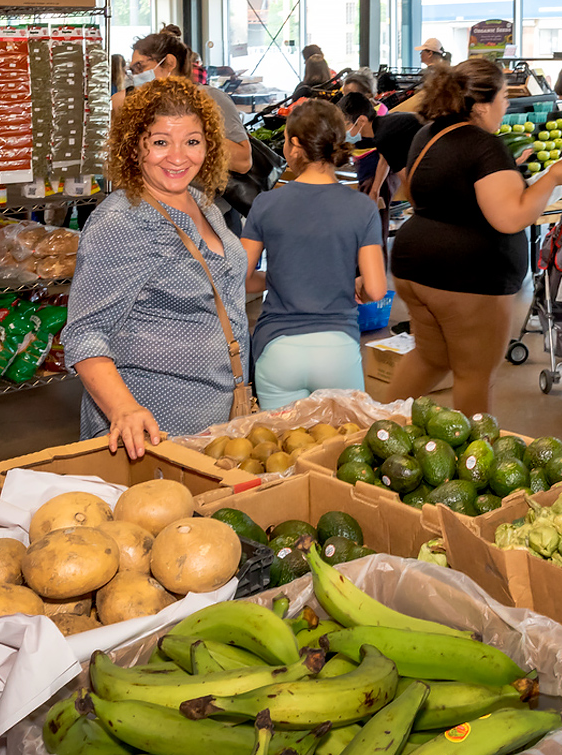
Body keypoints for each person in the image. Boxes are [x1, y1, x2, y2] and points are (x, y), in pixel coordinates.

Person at [67, 77, 248, 458]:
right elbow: (85, 333)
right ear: (134, 147)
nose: (179, 157)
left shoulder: (204, 205)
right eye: (161, 141)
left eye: (192, 141)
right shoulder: (122, 221)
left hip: (215, 427)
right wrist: (124, 409)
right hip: (154, 437)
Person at [387, 58, 562, 416]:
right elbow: (511, 217)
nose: (506, 106)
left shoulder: (428, 134)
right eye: (504, 97)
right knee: (474, 374)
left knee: (431, 358)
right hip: (466, 281)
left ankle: (374, 424)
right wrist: (552, 178)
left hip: (414, 266)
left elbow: (419, 193)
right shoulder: (483, 146)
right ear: (480, 104)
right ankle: (477, 461)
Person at [239, 99, 387, 410]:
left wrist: (277, 279)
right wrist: (355, 284)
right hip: (337, 350)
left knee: (278, 449)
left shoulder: (266, 204)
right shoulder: (362, 207)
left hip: (277, 349)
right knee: (338, 451)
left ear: (294, 145)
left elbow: (238, 280)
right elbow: (375, 290)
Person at [130, 29, 254, 230]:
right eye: (133, 71)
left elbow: (243, 161)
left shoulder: (211, 99)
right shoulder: (144, 106)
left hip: (211, 219)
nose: (136, 77)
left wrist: (191, 135)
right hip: (161, 217)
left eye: (140, 67)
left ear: (169, 63)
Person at [339, 91, 424, 248]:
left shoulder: (384, 136)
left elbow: (406, 179)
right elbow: (384, 160)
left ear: (362, 121)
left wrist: (420, 214)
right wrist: (375, 190)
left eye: (346, 125)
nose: (345, 131)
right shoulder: (383, 125)